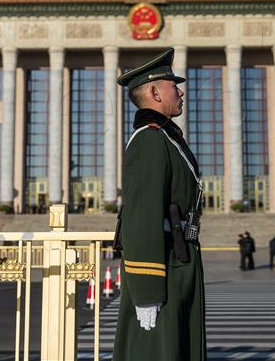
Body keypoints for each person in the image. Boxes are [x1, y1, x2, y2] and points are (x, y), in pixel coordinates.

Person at [112, 48, 206, 361]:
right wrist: (148, 291)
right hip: (163, 265)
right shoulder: (149, 140)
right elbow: (141, 217)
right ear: (154, 91)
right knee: (156, 350)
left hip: (179, 258)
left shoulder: (165, 138)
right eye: (172, 85)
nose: (180, 91)